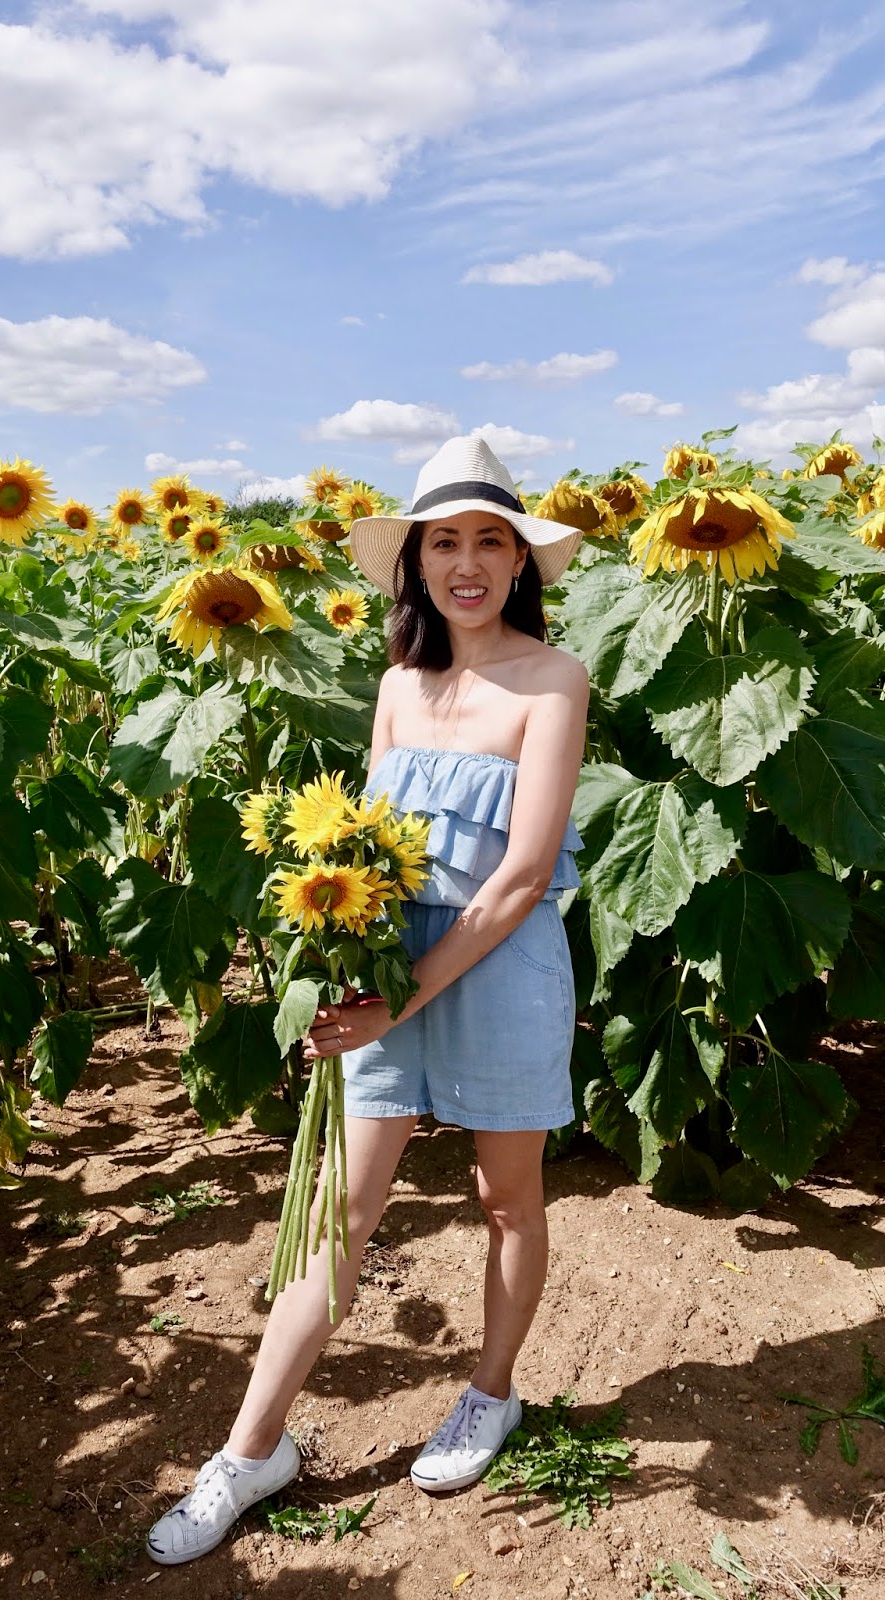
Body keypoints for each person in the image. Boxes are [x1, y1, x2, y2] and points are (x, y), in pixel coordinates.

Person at [147, 434, 589, 1566]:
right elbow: (373, 849)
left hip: (499, 964)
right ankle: (252, 1451)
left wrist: (396, 1002)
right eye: (446, 541)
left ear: (522, 562)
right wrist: (335, 958)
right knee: (335, 1215)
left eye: (492, 539)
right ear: (417, 564)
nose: (469, 562)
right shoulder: (395, 683)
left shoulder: (553, 679)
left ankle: (493, 1390)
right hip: (386, 973)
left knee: (505, 1199)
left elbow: (523, 877)